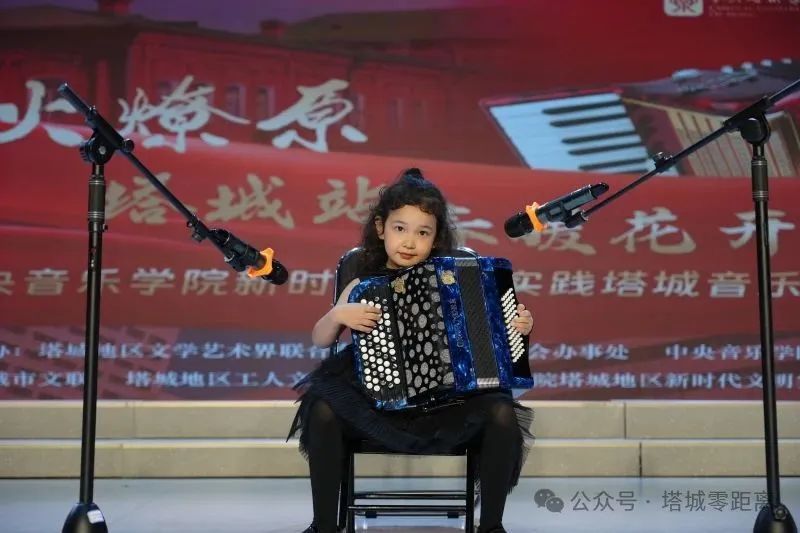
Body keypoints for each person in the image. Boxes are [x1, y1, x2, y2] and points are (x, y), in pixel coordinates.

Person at [288, 168, 534, 533]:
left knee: (501, 413)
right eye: (400, 228)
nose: (409, 241)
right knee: (322, 408)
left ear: (435, 238)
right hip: (373, 399)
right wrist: (338, 314)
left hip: (448, 403)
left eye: (423, 232)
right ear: (381, 228)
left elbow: (491, 341)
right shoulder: (362, 283)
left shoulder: (456, 281)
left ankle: (491, 526)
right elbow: (321, 339)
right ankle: (324, 526)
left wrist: (517, 328)